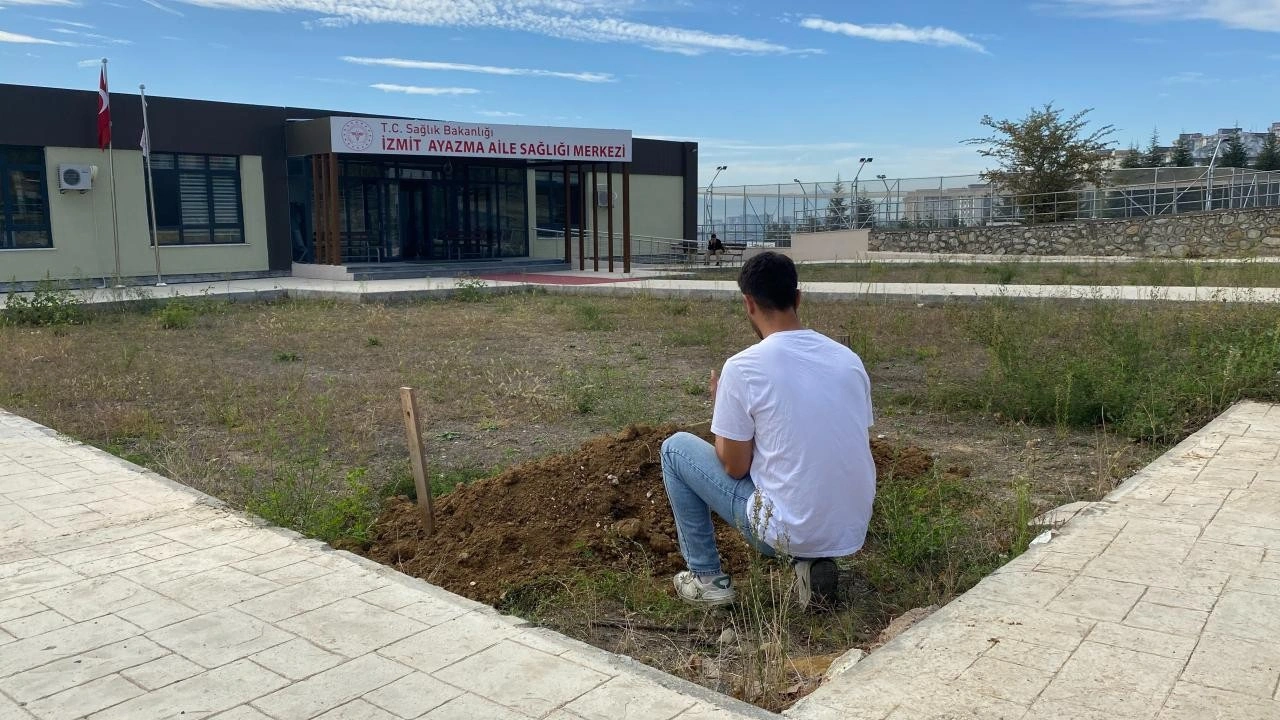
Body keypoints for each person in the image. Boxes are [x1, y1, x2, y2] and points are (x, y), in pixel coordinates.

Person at [660, 251, 876, 608]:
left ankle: (707, 579)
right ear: (797, 297)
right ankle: (809, 564)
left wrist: (723, 411)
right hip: (850, 526)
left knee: (674, 449)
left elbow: (735, 467)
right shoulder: (847, 360)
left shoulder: (743, 368)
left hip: (784, 529)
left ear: (748, 304)